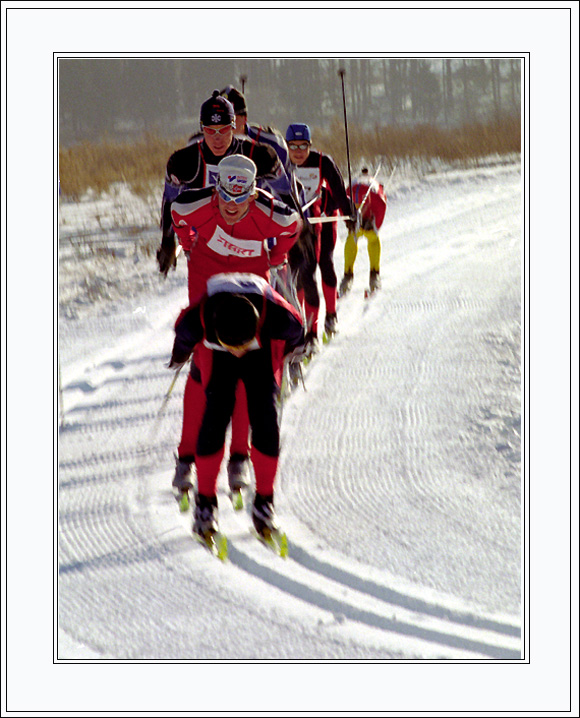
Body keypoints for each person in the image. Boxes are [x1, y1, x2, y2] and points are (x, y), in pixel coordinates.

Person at [169, 154, 303, 502]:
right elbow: (177, 214)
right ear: (216, 190)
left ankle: (239, 457)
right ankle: (187, 456)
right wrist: (187, 244)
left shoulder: (268, 211)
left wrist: (277, 256)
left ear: (253, 193)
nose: (231, 207)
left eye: (240, 200)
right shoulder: (197, 204)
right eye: (225, 198)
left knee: (250, 372)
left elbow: (293, 226)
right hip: (207, 283)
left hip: (249, 289)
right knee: (205, 370)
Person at [168, 272, 305, 540]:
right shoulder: (199, 318)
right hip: (220, 347)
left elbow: (297, 333)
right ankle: (205, 504)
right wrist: (180, 356)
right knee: (215, 415)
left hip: (262, 345)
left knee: (265, 415)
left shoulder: (278, 317)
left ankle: (265, 503)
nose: (237, 351)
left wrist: (292, 354)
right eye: (231, 346)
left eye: (241, 346)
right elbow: (183, 337)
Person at [157, 89, 295, 277]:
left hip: (250, 247)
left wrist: (294, 241)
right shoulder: (183, 162)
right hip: (207, 248)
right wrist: (167, 241)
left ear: (233, 126)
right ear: (201, 128)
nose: (217, 138)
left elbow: (288, 198)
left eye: (223, 130)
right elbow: (170, 202)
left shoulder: (260, 155)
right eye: (210, 131)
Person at [285, 123, 354, 354]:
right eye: (293, 146)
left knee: (324, 262)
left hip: (323, 220)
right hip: (298, 226)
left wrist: (349, 213)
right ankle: (306, 328)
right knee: (301, 273)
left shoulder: (323, 162)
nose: (298, 151)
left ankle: (330, 315)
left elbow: (338, 190)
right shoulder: (283, 165)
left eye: (302, 146)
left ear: (310, 145)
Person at [339, 167, 388, 296]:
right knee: (352, 238)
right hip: (356, 218)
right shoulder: (350, 191)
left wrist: (374, 225)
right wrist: (349, 222)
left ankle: (374, 273)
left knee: (372, 237)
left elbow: (382, 207)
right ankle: (348, 274)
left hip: (370, 218)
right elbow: (342, 206)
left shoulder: (375, 195)